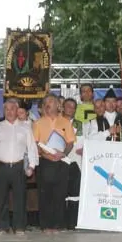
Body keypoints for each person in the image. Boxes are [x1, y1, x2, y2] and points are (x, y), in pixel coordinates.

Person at [0, 98, 38, 235]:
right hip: (1, 166)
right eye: (7, 109)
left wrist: (32, 166)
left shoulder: (25, 127)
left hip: (19, 167)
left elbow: (31, 147)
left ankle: (19, 227)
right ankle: (2, 226)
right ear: (3, 111)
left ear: (17, 110)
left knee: (20, 198)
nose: (9, 111)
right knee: (1, 199)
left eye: (12, 109)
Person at [34, 94, 76, 234]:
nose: (48, 104)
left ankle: (57, 225)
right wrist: (45, 154)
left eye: (51, 101)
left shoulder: (65, 122)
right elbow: (35, 143)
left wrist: (64, 153)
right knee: (45, 195)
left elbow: (70, 142)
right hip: (45, 162)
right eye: (46, 102)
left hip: (61, 162)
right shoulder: (38, 123)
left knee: (59, 194)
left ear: (58, 105)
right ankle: (45, 225)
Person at [61, 98, 83, 230]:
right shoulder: (57, 122)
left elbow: (80, 143)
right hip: (59, 161)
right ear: (63, 107)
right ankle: (61, 221)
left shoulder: (78, 124)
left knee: (74, 193)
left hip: (74, 161)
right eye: (68, 106)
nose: (71, 108)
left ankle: (73, 222)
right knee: (60, 193)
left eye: (73, 107)